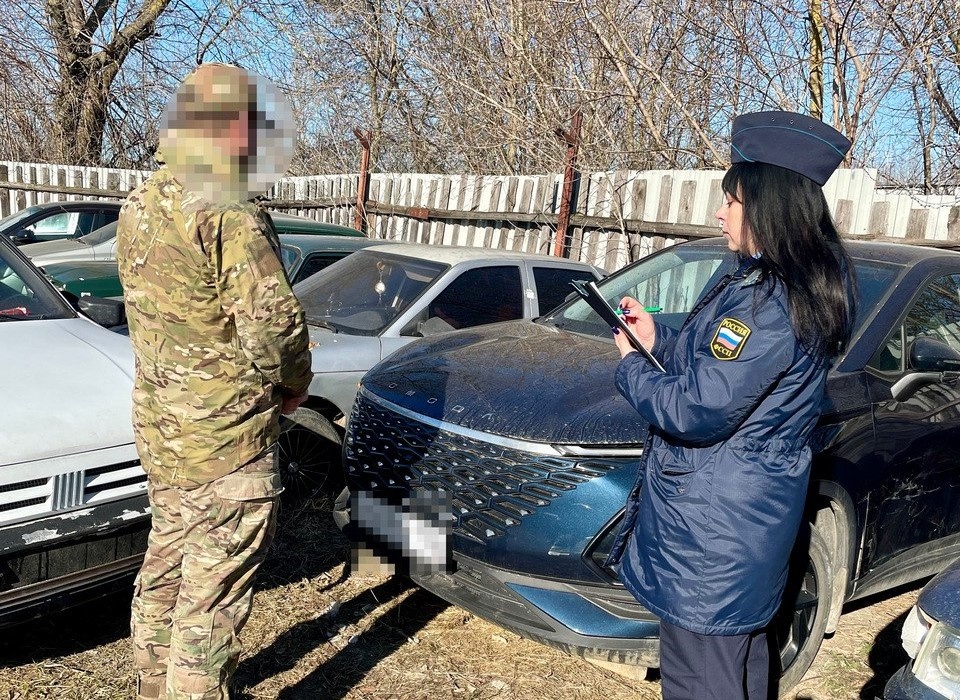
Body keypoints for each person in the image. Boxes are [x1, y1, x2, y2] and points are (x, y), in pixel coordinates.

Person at [605, 111, 855, 700]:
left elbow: (696, 408)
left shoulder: (771, 302)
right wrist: (656, 340)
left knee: (704, 678)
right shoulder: (769, 281)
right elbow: (717, 360)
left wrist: (631, 368)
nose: (720, 214)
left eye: (732, 201)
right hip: (732, 526)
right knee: (737, 669)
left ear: (769, 209)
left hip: (714, 538)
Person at [116, 63, 312, 700]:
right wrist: (294, 384)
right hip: (226, 439)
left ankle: (151, 687)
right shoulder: (227, 207)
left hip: (166, 431)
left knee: (166, 568)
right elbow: (273, 322)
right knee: (213, 596)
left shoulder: (138, 203)